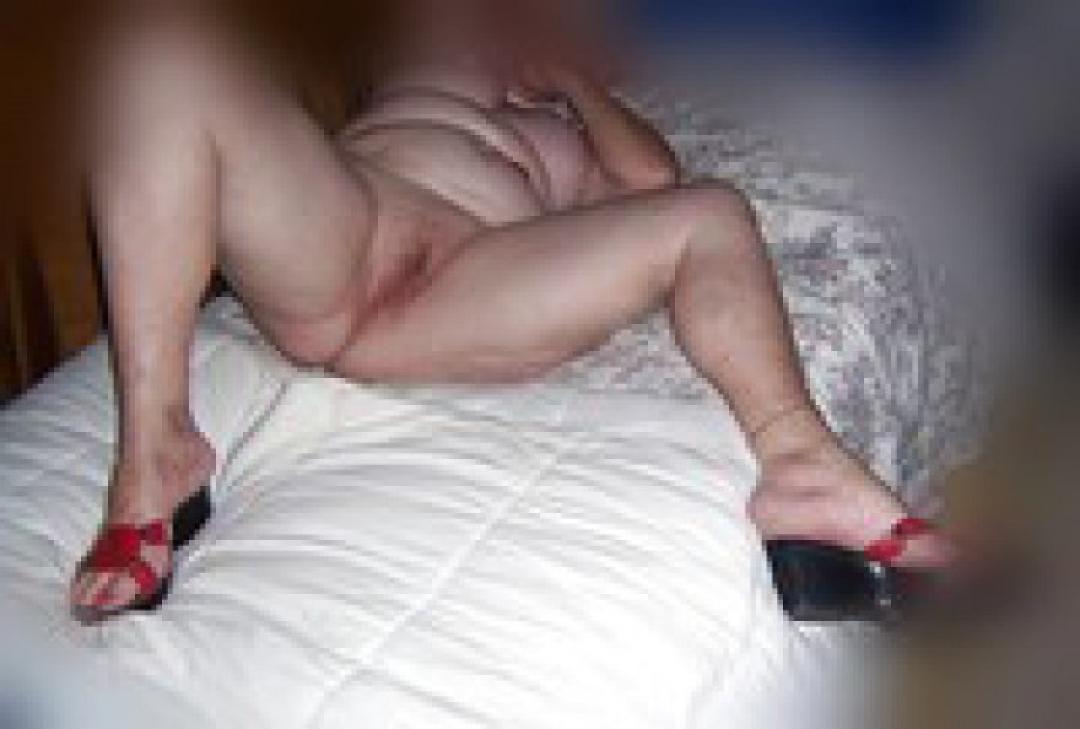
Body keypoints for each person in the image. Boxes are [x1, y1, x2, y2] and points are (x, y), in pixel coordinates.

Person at [70, 2, 949, 621]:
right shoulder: (426, 55)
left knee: (712, 213)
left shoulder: (570, 132)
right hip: (341, 237)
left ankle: (799, 462)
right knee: (158, 48)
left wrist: (571, 84)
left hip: (467, 290)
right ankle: (157, 450)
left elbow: (653, 177)